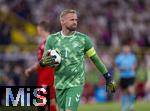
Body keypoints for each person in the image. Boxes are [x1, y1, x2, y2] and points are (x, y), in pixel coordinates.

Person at [40, 9, 116, 111]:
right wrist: (46, 61)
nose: (75, 22)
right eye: (72, 20)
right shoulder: (52, 40)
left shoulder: (84, 39)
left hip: (75, 83)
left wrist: (107, 76)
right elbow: (43, 62)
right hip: (59, 84)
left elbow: (95, 59)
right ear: (62, 21)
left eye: (76, 19)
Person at [25, 21, 57, 111]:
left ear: (42, 30)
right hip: (46, 75)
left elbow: (45, 61)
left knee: (41, 102)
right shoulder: (47, 42)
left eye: (38, 30)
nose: (38, 32)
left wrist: (31, 69)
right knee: (51, 101)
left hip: (46, 75)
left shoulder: (49, 42)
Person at [115, 45, 137, 111]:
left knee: (131, 90)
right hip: (123, 76)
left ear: (129, 49)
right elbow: (116, 66)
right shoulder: (120, 57)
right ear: (123, 50)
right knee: (123, 92)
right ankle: (123, 107)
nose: (126, 50)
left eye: (127, 49)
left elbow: (135, 64)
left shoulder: (132, 56)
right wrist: (121, 68)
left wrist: (133, 67)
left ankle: (131, 106)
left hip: (130, 75)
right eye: (125, 49)